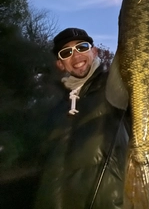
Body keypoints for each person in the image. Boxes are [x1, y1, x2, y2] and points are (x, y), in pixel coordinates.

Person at [34, 28, 129, 209]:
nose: (76, 55)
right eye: (66, 52)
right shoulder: (53, 106)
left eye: (82, 47)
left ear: (94, 52)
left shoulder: (116, 84)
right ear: (60, 64)